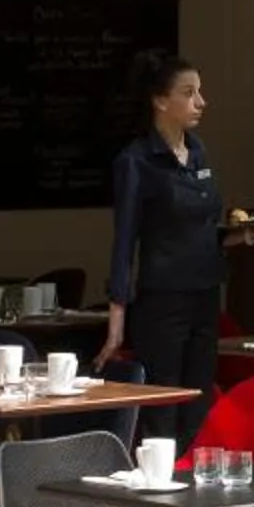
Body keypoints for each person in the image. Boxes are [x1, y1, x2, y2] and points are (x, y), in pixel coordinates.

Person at [98, 51, 227, 444]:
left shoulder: (198, 152)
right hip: (163, 302)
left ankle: (193, 502)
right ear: (160, 100)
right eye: (189, 93)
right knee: (163, 408)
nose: (200, 102)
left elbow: (205, 225)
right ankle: (158, 499)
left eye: (199, 92)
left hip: (206, 294)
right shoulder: (136, 161)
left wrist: (246, 234)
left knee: (199, 405)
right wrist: (116, 320)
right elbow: (124, 242)